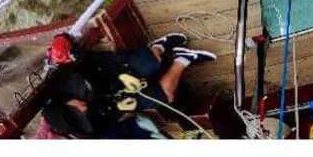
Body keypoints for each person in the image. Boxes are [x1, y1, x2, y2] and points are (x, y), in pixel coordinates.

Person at [40, 33, 216, 138]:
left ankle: (160, 46)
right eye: (82, 115)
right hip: (124, 95)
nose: (84, 110)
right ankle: (183, 58)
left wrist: (121, 78)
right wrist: (119, 107)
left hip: (114, 70)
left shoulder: (65, 81)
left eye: (77, 110)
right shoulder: (86, 126)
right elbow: (108, 115)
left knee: (150, 64)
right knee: (165, 97)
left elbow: (66, 48)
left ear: (64, 105)